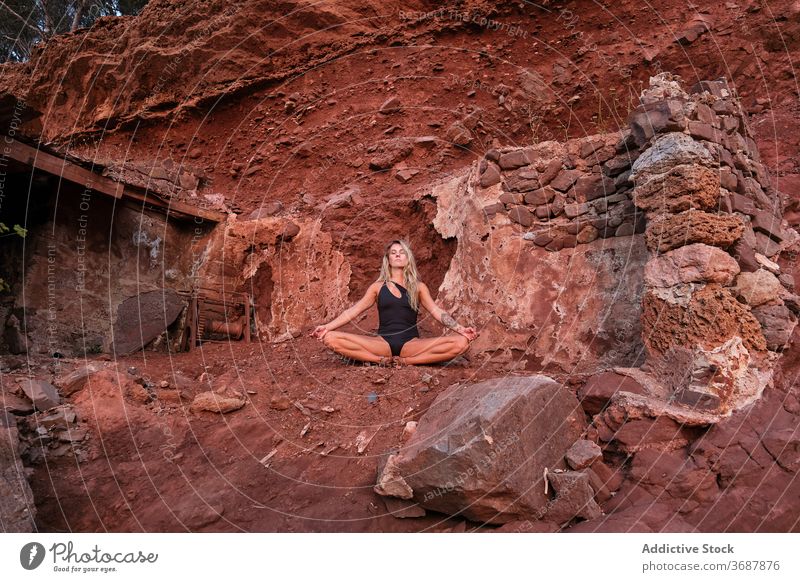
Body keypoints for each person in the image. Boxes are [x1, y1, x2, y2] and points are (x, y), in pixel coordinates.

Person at [310, 239, 478, 366]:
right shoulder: (377, 288)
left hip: (411, 344)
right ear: (388, 259)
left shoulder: (419, 287)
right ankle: (380, 360)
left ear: (407, 258)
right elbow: (353, 311)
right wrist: (327, 327)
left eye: (402, 252)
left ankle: (407, 362)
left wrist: (461, 329)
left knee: (462, 343)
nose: (398, 254)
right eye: (393, 252)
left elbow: (436, 312)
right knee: (330, 338)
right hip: (382, 344)